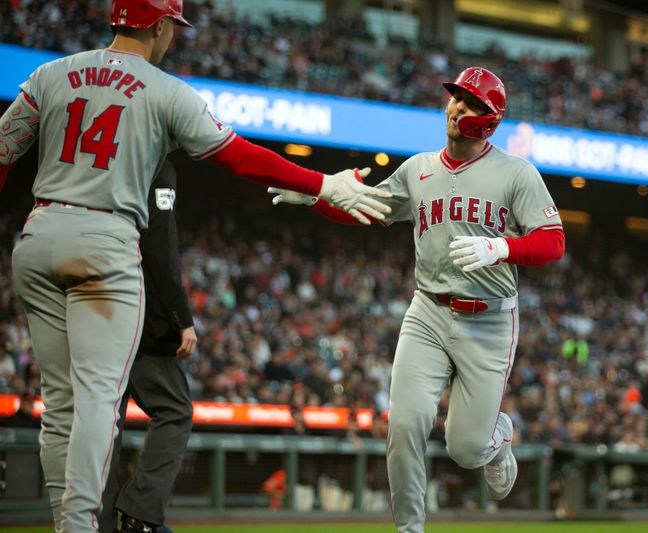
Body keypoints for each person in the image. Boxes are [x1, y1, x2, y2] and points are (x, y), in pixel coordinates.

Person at [0, 1, 391, 530]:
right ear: (160, 25)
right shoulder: (166, 90)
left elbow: (3, 151)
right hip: (106, 240)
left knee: (60, 405)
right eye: (173, 28)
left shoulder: (50, 74)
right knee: (96, 400)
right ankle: (77, 525)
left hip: (40, 231)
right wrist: (322, 182)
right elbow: (239, 156)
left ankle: (64, 520)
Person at [269, 66, 565, 532]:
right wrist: (317, 194)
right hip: (427, 310)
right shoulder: (419, 167)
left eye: (468, 103)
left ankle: (497, 436)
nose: (455, 107)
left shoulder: (516, 172)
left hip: (488, 321)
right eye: (454, 98)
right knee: (404, 427)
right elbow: (370, 207)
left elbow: (553, 241)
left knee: (465, 450)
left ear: (489, 118)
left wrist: (502, 246)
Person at [97, 160, 194, 533]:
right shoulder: (157, 162)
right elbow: (158, 243)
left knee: (104, 420)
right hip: (131, 308)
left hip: (77, 287)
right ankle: (140, 514)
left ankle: (95, 522)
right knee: (174, 407)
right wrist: (179, 316)